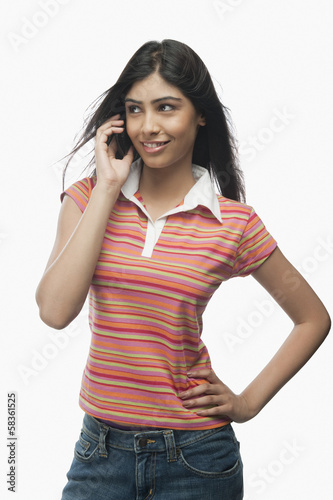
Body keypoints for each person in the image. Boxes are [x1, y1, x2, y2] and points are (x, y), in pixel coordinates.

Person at [35, 39, 330, 500]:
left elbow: (313, 319)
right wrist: (108, 189)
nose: (148, 127)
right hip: (100, 454)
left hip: (197, 458)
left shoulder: (234, 223)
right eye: (135, 110)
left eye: (166, 108)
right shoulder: (87, 197)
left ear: (201, 114)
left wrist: (247, 402)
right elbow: (54, 311)